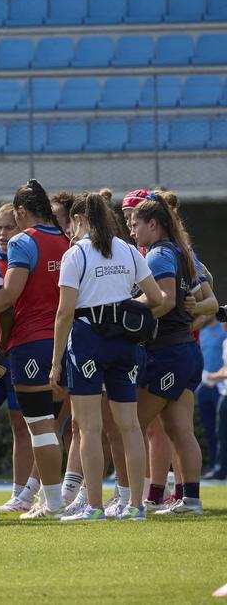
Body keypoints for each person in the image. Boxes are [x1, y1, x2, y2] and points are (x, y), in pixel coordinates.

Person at [49, 193, 164, 522]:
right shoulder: (128, 250)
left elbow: (64, 313)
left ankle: (95, 506)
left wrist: (55, 362)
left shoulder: (76, 254)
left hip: (88, 341)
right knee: (130, 427)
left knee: (88, 428)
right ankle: (136, 507)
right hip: (125, 344)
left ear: (79, 220)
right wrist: (122, 310)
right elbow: (156, 298)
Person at [0, 180, 70, 519]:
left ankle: (51, 503)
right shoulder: (68, 241)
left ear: (22, 212)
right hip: (68, 342)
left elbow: (9, 295)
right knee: (55, 425)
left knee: (38, 425)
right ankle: (51, 499)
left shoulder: (24, 241)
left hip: (32, 342)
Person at [129, 193, 210, 515]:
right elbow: (209, 296)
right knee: (179, 430)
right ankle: (190, 500)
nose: (132, 231)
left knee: (129, 426)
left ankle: (131, 500)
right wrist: (197, 307)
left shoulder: (159, 254)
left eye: (136, 225)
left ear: (154, 224)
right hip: (185, 350)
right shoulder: (180, 251)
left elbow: (164, 300)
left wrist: (119, 311)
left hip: (168, 353)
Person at [0, 203, 37, 514]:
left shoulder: (26, 255)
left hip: (17, 353)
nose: (2, 234)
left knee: (21, 426)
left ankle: (20, 495)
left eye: (9, 228)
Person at [198, 321, 225, 478]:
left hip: (220, 385)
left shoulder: (223, 329)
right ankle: (215, 464)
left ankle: (221, 466)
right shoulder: (201, 332)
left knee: (221, 429)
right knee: (210, 430)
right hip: (204, 385)